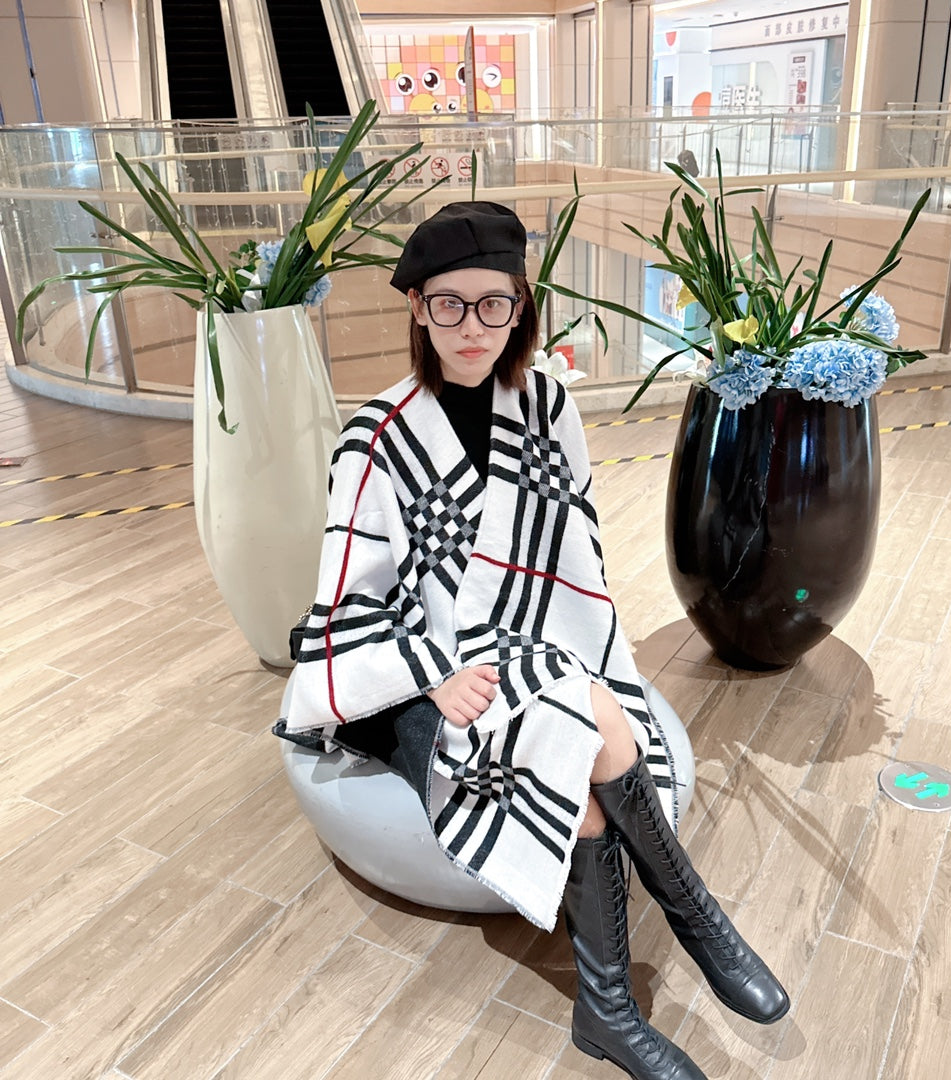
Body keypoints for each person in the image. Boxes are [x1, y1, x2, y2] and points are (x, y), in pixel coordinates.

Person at [279, 201, 789, 1079]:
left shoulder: (547, 404)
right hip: (417, 679)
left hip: (528, 644)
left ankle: (610, 1006)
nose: (472, 327)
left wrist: (548, 651)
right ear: (417, 307)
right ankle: (688, 928)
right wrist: (433, 673)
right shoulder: (375, 438)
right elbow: (350, 602)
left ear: (522, 306)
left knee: (578, 726)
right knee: (584, 735)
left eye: (495, 303)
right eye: (449, 304)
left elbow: (573, 553)